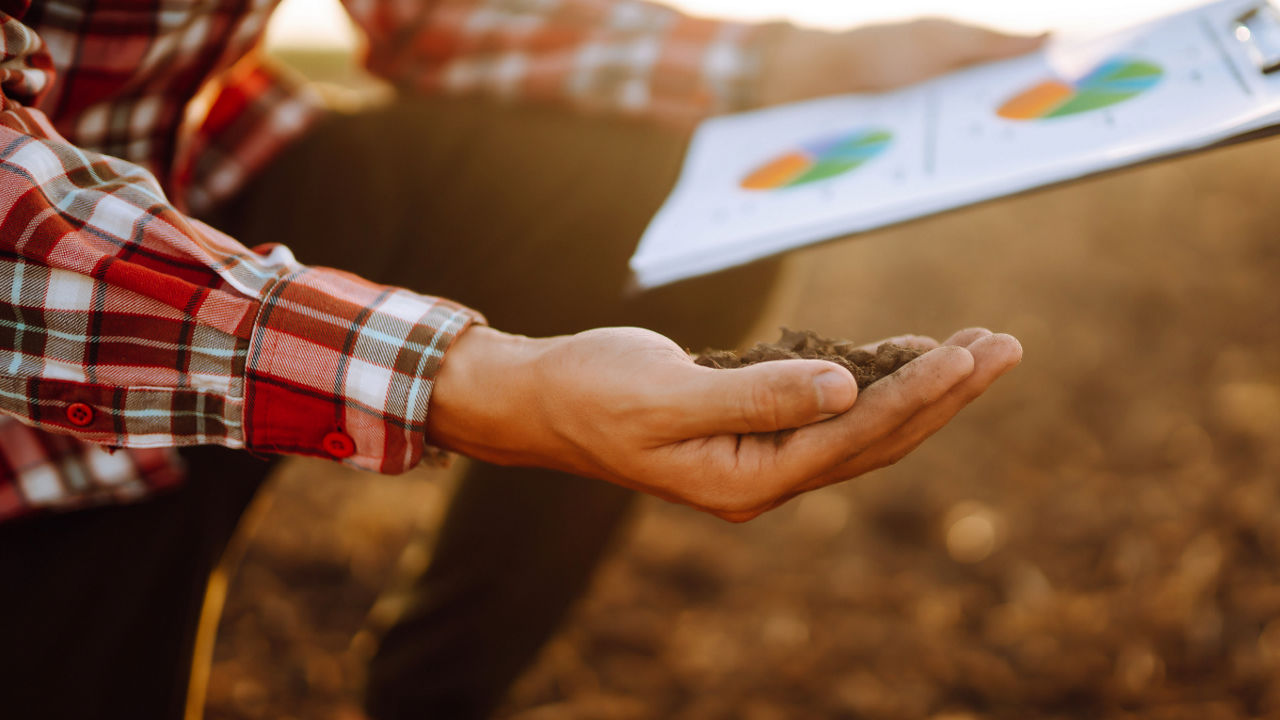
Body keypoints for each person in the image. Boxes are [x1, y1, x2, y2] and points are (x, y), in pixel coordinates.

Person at [0, 1, 1034, 718]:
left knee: (650, 204)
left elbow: (428, 14)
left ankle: (434, 699)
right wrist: (468, 383)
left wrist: (785, 64)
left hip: (207, 173)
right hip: (33, 328)